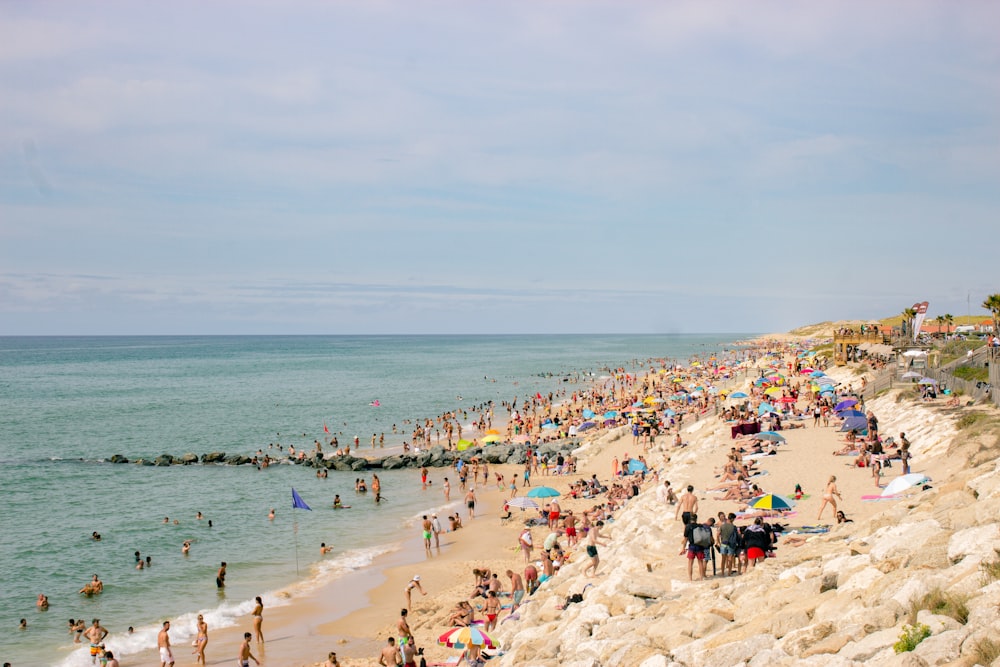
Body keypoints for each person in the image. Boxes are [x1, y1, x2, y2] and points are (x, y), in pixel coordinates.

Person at [680, 513, 708, 581]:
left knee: (690, 563)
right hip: (699, 546)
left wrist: (683, 548)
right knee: (700, 562)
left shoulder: (688, 527)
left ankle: (690, 578)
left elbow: (685, 539)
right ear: (696, 519)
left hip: (692, 546)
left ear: (690, 519)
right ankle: (701, 577)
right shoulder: (700, 526)